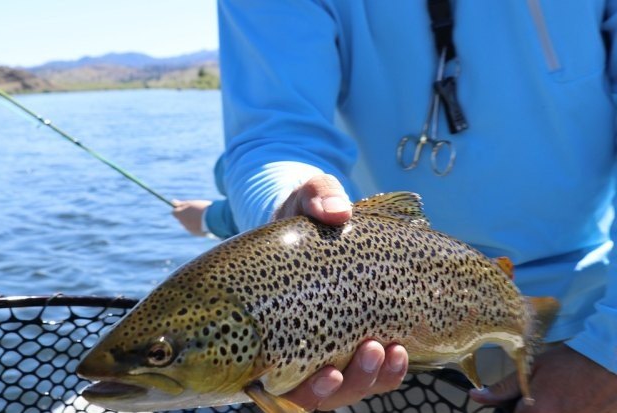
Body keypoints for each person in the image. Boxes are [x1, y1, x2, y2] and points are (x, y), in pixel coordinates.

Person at [193, 1, 617, 412]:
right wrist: (285, 204)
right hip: (353, 330)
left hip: (589, 316)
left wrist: (607, 351)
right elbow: (274, 133)